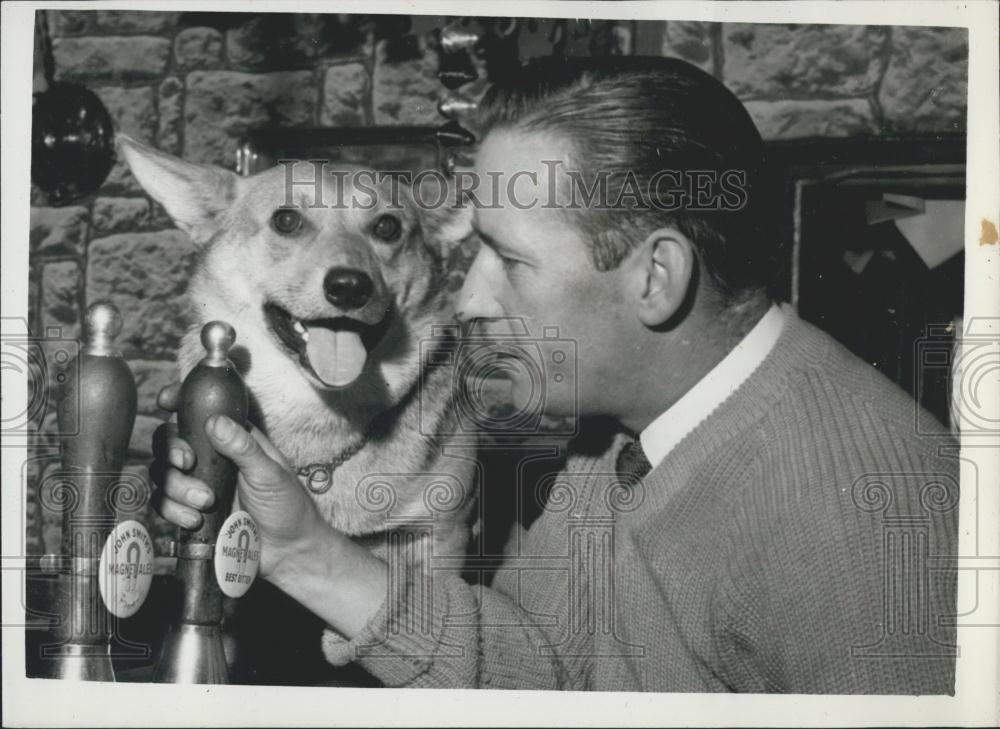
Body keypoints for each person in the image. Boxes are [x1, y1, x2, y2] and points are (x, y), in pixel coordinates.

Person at [150, 57, 958, 693]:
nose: (468, 299)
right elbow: (539, 663)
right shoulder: (619, 438)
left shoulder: (872, 522)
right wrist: (301, 550)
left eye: (509, 261)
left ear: (656, 278)